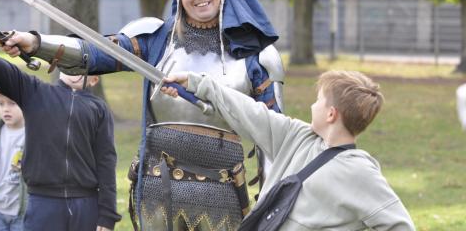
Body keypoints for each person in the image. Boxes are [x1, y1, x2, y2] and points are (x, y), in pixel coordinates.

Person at [1, 0, 284, 231]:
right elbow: (97, 52)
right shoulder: (157, 39)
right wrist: (37, 42)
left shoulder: (256, 54)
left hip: (221, 192)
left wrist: (271, 207)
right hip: (157, 189)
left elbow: (274, 136)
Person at [161, 70, 416, 230]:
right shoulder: (297, 137)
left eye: (319, 100)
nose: (312, 105)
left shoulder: (359, 171)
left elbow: (399, 224)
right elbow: (249, 112)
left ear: (331, 114)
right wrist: (198, 83)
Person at [0, 48, 121, 231]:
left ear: (94, 78)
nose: (75, 68)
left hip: (86, 205)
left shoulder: (99, 109)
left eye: (84, 63)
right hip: (43, 204)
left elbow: (106, 161)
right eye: (70, 59)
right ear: (56, 65)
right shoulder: (35, 92)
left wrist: (107, 215)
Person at [0, 90, 26, 231]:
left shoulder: (32, 134)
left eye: (12, 103)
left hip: (22, 212)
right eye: (1, 104)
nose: (6, 109)